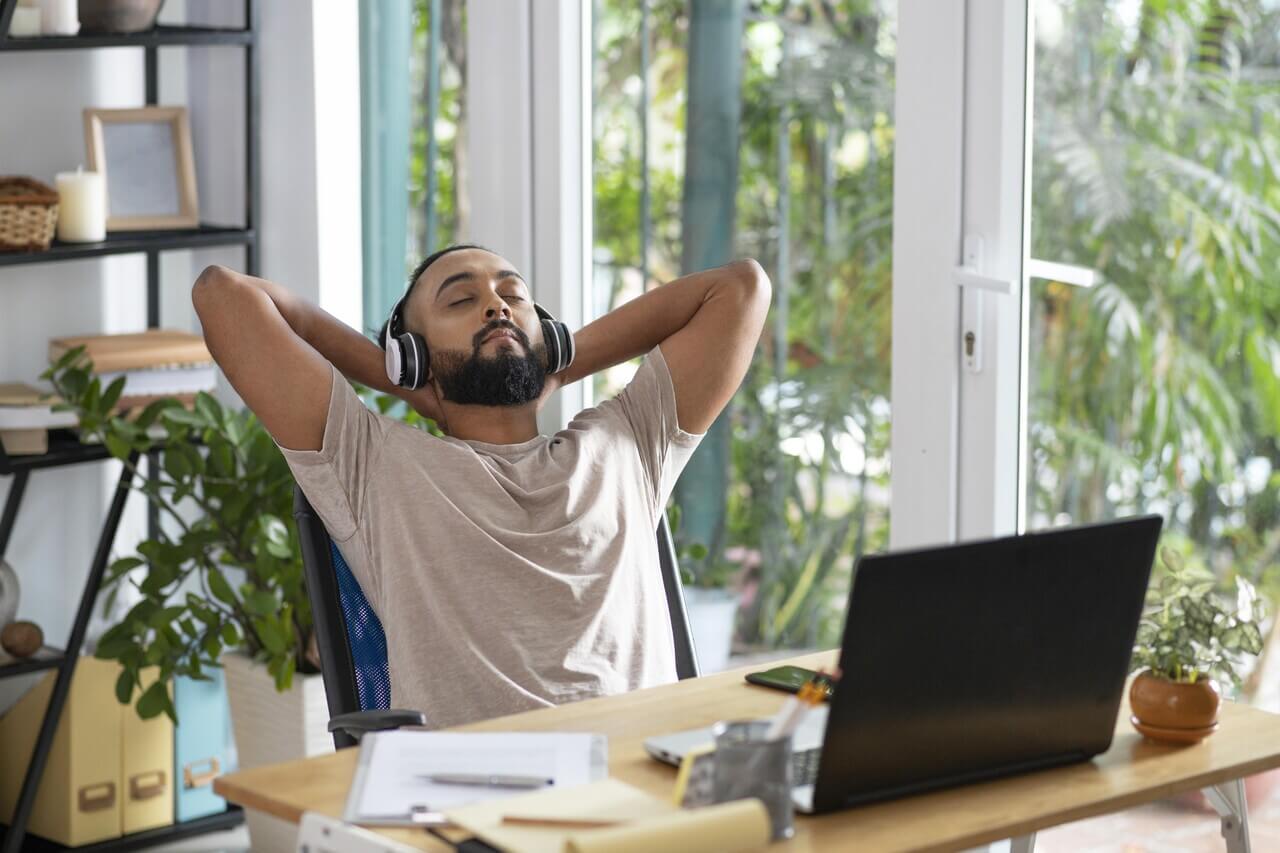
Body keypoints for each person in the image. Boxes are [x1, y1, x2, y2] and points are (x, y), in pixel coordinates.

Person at [192, 245, 771, 728]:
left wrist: (556, 359)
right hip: (482, 797)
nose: (497, 305)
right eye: (461, 300)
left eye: (513, 296)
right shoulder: (374, 464)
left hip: (644, 785)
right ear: (412, 354)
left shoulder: (627, 441)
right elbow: (224, 295)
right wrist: (400, 380)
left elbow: (740, 288)